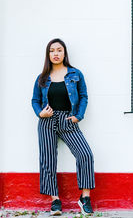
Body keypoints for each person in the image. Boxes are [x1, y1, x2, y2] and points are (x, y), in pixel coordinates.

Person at [31, 38, 95, 216]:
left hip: (68, 119)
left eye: (59, 50)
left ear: (64, 53)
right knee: (48, 160)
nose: (56, 54)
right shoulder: (42, 77)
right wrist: (40, 112)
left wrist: (78, 116)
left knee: (85, 154)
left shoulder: (75, 74)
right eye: (52, 51)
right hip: (47, 121)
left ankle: (85, 198)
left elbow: (83, 96)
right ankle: (55, 201)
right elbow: (35, 100)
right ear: (48, 54)